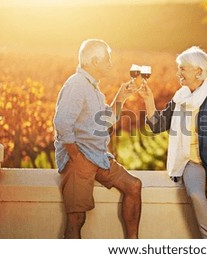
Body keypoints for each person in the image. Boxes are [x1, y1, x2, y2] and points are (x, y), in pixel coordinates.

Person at [139, 46, 207, 239]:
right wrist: (149, 100)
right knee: (196, 195)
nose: (178, 73)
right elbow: (158, 125)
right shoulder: (179, 98)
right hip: (191, 162)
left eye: (182, 68)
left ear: (199, 72)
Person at [53, 39, 142, 239]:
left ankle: (133, 246)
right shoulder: (76, 85)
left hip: (98, 157)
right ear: (93, 61)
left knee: (133, 186)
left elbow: (106, 120)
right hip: (79, 159)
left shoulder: (92, 87)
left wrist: (121, 97)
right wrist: (76, 156)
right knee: (76, 219)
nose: (111, 63)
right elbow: (62, 123)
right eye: (107, 59)